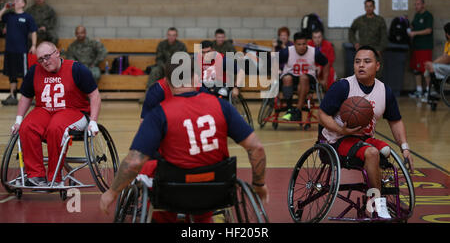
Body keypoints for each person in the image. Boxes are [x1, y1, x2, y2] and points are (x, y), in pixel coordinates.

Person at [100, 59, 268, 222]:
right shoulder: (222, 106)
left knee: (148, 169)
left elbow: (133, 162)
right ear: (196, 78)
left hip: (173, 192)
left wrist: (112, 192)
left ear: (167, 82)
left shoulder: (159, 114)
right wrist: (259, 185)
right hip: (215, 189)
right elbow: (256, 148)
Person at [318, 45, 414, 219]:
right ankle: (375, 201)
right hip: (336, 140)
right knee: (371, 153)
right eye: (357, 61)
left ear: (377, 66)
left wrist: (405, 147)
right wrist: (341, 129)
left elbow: (395, 120)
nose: (361, 65)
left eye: (367, 61)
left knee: (386, 150)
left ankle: (375, 191)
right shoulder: (343, 86)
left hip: (363, 139)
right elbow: (322, 115)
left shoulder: (385, 91)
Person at [10, 42, 101, 186]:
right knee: (27, 127)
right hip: (45, 110)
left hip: (74, 110)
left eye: (47, 57)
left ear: (57, 52)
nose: (45, 62)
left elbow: (94, 95)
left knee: (56, 127)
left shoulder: (77, 69)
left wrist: (93, 121)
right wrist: (19, 120)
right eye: (40, 59)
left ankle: (55, 178)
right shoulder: (34, 71)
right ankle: (35, 176)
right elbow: (26, 96)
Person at [279, 32, 329, 123]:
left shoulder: (314, 52)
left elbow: (326, 63)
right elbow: (273, 61)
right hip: (291, 75)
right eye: (299, 44)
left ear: (307, 43)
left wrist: (324, 79)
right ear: (294, 44)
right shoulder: (286, 52)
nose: (302, 46)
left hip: (308, 78)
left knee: (303, 77)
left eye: (304, 44)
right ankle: (289, 108)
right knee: (287, 78)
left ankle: (298, 110)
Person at [0, 0, 37, 106]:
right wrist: (5, 8)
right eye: (15, 0)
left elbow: (34, 31)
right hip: (9, 51)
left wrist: (34, 45)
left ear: (23, 4)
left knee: (25, 75)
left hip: (21, 51)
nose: (15, 1)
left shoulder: (27, 17)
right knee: (12, 74)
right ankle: (12, 96)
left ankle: (28, 97)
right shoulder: (9, 15)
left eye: (18, 0)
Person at [408, 0, 434, 99]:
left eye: (418, 4)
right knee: (416, 69)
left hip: (425, 47)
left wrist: (415, 33)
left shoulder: (428, 16)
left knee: (425, 69)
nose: (416, 6)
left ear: (423, 5)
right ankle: (419, 90)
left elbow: (428, 30)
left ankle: (428, 91)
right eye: (415, 4)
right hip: (416, 47)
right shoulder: (416, 15)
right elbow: (413, 26)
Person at [423, 22, 450, 101]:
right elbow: (444, 57)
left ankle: (436, 90)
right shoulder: (448, 43)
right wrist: (432, 63)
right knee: (428, 68)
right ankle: (431, 91)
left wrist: (433, 64)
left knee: (431, 67)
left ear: (447, 34)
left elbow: (448, 59)